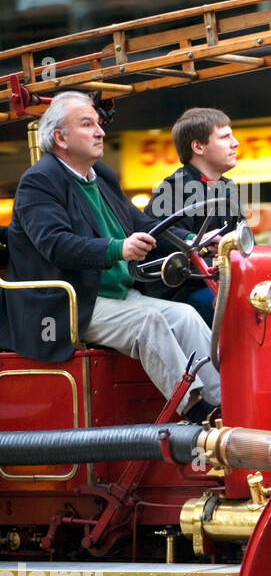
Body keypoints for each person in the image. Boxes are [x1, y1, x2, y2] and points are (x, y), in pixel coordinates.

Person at [0, 92, 220, 423]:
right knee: (149, 322)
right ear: (60, 138)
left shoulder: (99, 175)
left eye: (98, 124)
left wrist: (193, 240)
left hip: (113, 295)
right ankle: (196, 411)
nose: (100, 131)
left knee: (186, 315)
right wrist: (117, 248)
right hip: (67, 302)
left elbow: (141, 223)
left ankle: (227, 404)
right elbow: (55, 244)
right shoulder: (39, 182)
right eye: (87, 124)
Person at [142, 108, 244, 325]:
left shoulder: (227, 187)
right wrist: (202, 242)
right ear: (198, 146)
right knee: (242, 309)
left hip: (219, 283)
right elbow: (155, 234)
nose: (235, 143)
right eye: (225, 137)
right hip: (181, 293)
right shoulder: (174, 188)